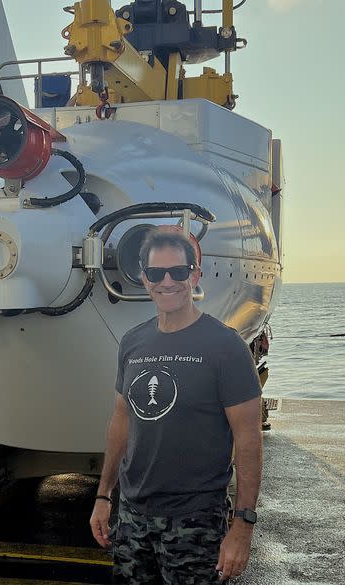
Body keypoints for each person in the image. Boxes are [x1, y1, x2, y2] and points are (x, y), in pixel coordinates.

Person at [90, 230, 263, 584]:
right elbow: (121, 423)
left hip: (195, 521)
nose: (167, 282)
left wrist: (242, 527)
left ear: (195, 274)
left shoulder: (225, 346)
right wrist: (103, 495)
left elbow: (248, 440)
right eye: (156, 274)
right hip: (134, 518)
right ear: (144, 279)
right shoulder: (133, 343)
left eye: (178, 272)